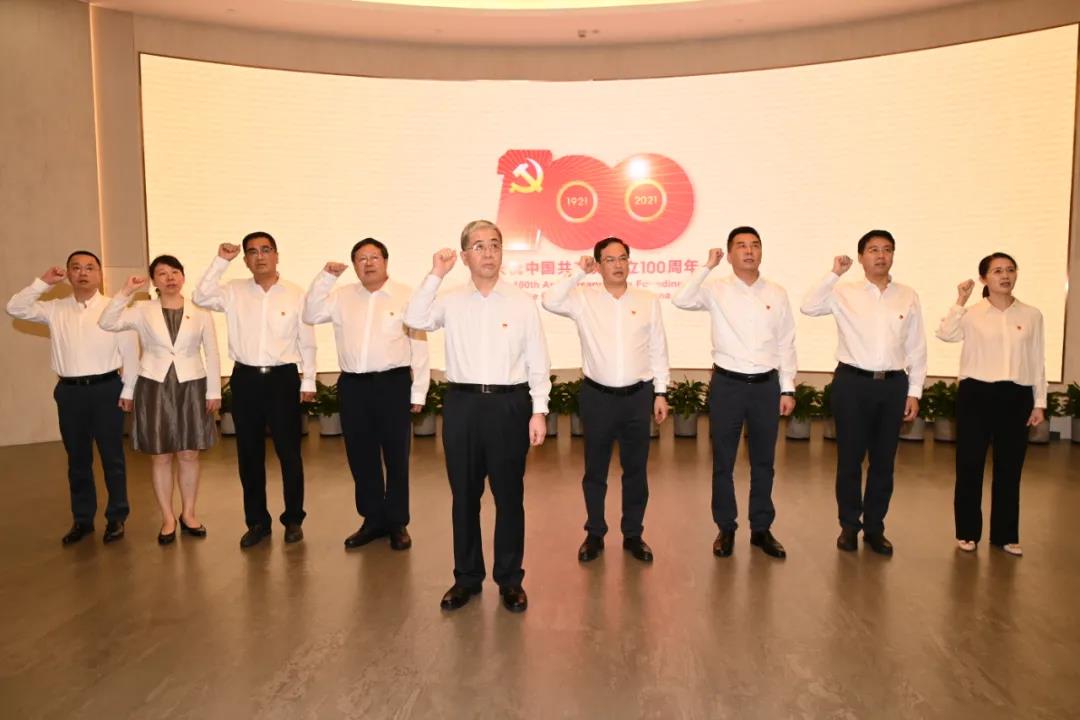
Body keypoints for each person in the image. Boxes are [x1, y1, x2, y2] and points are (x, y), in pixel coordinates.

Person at [404, 220, 550, 613]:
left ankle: (510, 579)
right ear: (465, 255)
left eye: (495, 245)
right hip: (463, 405)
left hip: (509, 405)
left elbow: (537, 359)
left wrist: (539, 410)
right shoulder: (450, 300)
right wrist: (436, 273)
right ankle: (467, 578)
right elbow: (415, 319)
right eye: (479, 246)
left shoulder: (521, 302)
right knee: (464, 497)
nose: (488, 253)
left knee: (509, 497)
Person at [541, 237, 669, 564]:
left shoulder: (648, 300)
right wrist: (577, 273)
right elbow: (549, 300)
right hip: (597, 397)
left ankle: (633, 534)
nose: (618, 264)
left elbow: (658, 348)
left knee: (636, 471)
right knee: (595, 470)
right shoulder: (583, 299)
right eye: (609, 259)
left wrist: (661, 392)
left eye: (623, 258)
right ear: (598, 265)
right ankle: (595, 533)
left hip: (638, 397)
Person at [672, 227, 796, 559]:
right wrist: (706, 267)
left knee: (764, 462)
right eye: (741, 246)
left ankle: (761, 528)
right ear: (729, 255)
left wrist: (788, 387)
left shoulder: (777, 293)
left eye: (755, 245)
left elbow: (786, 342)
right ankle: (726, 527)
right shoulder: (716, 289)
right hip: (727, 385)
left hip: (766, 386)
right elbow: (681, 298)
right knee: (723, 461)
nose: (749, 251)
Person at [801, 230, 927, 555]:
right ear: (861, 257)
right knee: (850, 460)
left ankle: (874, 528)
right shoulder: (844, 291)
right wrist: (834, 273)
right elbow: (808, 306)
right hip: (852, 384)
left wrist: (914, 391)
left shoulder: (907, 295)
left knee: (884, 462)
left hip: (893, 384)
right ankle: (848, 526)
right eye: (873, 250)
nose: (880, 256)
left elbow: (917, 347)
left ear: (893, 255)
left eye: (887, 249)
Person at [304, 238, 430, 551]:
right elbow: (310, 313)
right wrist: (326, 278)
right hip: (353, 386)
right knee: (361, 456)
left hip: (393, 384)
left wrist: (419, 391)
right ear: (354, 265)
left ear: (386, 261)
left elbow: (419, 345)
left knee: (396, 456)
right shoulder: (341, 296)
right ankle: (373, 519)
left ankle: (397, 522)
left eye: (374, 257)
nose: (368, 263)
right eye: (361, 258)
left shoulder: (406, 295)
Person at [193, 232, 316, 548]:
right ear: (246, 260)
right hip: (245, 378)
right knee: (249, 455)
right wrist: (222, 260)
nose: (259, 256)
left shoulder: (296, 294)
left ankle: (293, 519)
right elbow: (201, 296)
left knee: (289, 453)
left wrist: (309, 380)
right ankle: (258, 522)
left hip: (283, 379)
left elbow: (307, 341)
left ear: (277, 255)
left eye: (265, 250)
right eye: (252, 252)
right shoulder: (233, 291)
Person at [6, 251, 138, 544]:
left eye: (90, 267)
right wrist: (43, 282)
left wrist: (129, 390)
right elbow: (14, 308)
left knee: (112, 458)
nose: (83, 273)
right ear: (67, 274)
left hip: (107, 389)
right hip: (69, 392)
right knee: (77, 459)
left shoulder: (115, 308)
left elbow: (130, 354)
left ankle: (117, 517)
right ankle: (82, 520)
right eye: (76, 268)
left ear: (100, 274)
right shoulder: (55, 309)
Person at [98, 255, 221, 545]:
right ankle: (167, 517)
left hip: (192, 384)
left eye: (175, 272)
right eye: (162, 273)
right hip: (154, 384)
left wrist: (214, 391)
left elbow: (212, 352)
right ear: (154, 280)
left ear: (183, 276)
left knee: (189, 453)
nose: (170, 278)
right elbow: (107, 321)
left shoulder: (200, 311)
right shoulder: (142, 309)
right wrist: (126, 291)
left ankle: (188, 513)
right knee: (161, 455)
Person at [936, 252, 1045, 557]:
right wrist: (960, 300)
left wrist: (1039, 402)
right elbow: (945, 334)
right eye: (997, 271)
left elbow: (1037, 360)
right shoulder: (971, 313)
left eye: (1010, 269)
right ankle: (967, 532)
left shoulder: (1032, 314)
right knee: (969, 465)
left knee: (1010, 468)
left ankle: (1005, 535)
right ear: (984, 278)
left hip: (1017, 395)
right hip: (976, 394)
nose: (1005, 276)